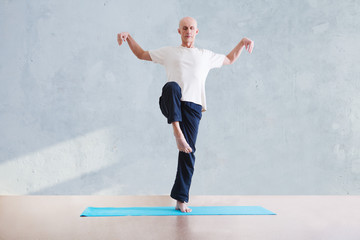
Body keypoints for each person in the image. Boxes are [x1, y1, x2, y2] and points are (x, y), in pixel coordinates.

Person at [117, 16, 254, 213]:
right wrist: (128, 37)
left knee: (188, 152)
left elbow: (230, 59)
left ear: (196, 31)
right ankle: (177, 133)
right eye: (184, 28)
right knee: (172, 86)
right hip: (171, 101)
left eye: (191, 28)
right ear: (179, 31)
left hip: (193, 107)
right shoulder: (169, 52)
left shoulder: (205, 55)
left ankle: (181, 199)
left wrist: (242, 42)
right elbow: (141, 54)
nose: (188, 31)